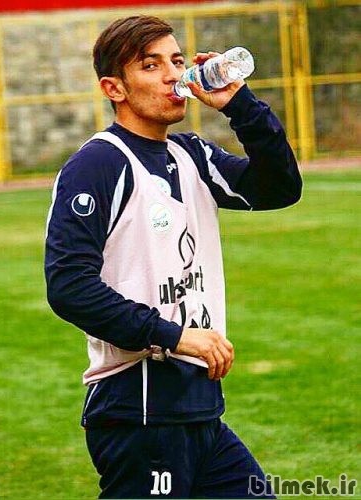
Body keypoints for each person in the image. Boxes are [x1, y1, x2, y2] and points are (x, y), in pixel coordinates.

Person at [44, 15, 301, 499]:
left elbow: (280, 188)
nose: (172, 75)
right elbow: (69, 287)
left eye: (177, 61)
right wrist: (175, 336)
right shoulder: (98, 164)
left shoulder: (191, 155)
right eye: (151, 65)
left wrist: (241, 106)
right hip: (139, 407)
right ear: (114, 88)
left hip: (199, 408)